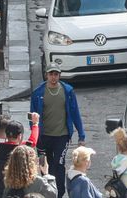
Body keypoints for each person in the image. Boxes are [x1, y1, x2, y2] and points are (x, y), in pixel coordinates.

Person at [29, 64, 85, 198]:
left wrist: (81, 135)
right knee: (44, 165)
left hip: (62, 135)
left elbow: (75, 112)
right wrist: (34, 135)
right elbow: (33, 117)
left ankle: (59, 193)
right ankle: (48, 192)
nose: (53, 77)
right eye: (51, 74)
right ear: (46, 75)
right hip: (43, 137)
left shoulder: (67, 91)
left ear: (59, 75)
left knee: (59, 164)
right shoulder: (38, 93)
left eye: (56, 74)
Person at [0, 116, 40, 198]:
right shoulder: (23, 153)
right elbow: (32, 141)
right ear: (20, 136)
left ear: (6, 134)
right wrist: (35, 124)